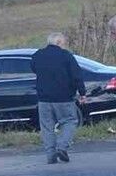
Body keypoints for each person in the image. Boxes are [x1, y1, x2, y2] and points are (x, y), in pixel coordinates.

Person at [30, 32, 86, 165]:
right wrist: (82, 93)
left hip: (44, 99)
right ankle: (62, 147)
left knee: (47, 127)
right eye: (64, 43)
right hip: (64, 98)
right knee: (70, 121)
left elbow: (33, 68)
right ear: (59, 42)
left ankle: (50, 155)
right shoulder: (66, 56)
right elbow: (76, 75)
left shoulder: (38, 55)